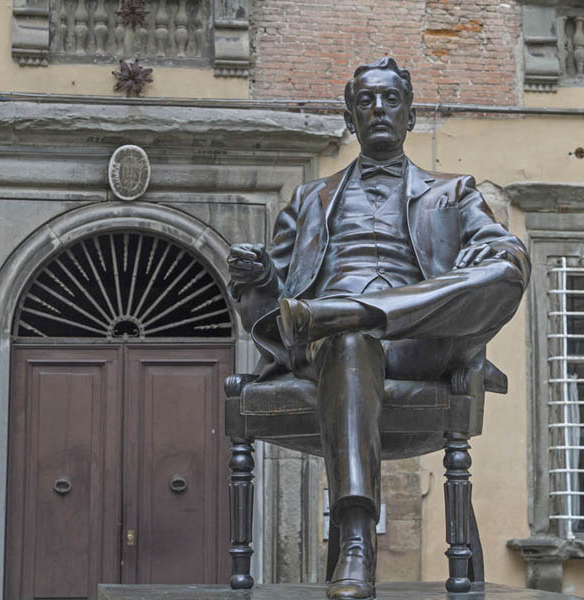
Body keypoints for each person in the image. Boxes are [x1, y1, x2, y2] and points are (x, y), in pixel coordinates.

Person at [227, 57, 530, 599]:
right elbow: (271, 312)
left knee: (508, 266)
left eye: (391, 100)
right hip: (328, 346)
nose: (379, 109)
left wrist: (483, 259)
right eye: (365, 101)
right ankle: (358, 539)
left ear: (410, 116)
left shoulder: (453, 192)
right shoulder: (307, 199)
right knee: (347, 340)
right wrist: (258, 279)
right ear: (349, 117)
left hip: (420, 343)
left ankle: (351, 312)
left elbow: (502, 258)